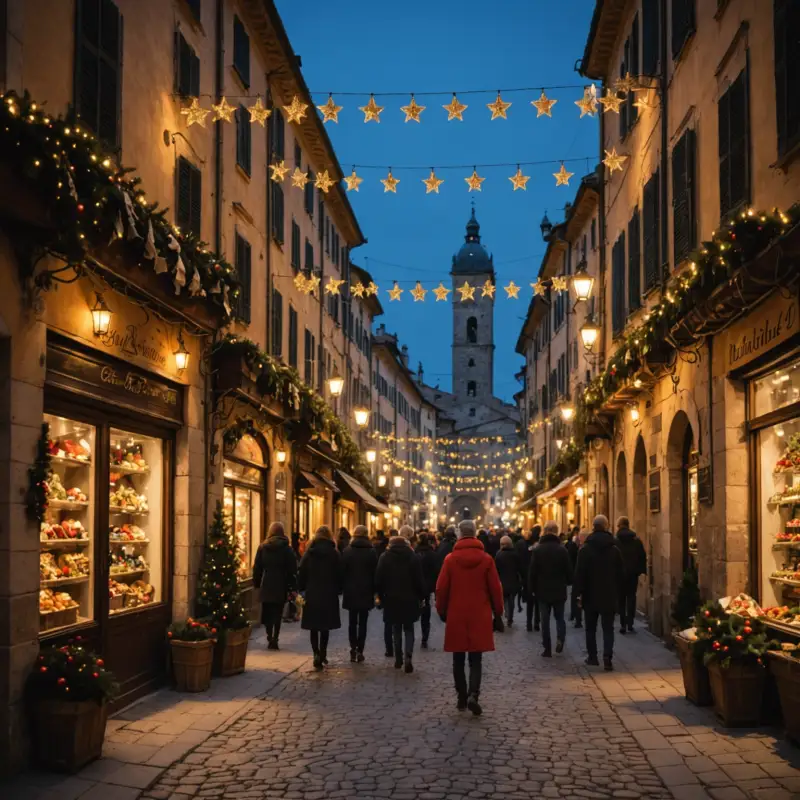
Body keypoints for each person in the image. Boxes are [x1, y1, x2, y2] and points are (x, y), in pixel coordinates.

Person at [436, 519, 504, 716]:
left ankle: (461, 697)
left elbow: (441, 588)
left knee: (458, 658)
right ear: (474, 534)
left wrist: (441, 610)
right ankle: (474, 694)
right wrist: (498, 612)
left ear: (459, 534)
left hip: (456, 613)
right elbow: (495, 588)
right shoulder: (486, 559)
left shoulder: (450, 560)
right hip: (479, 613)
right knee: (476, 658)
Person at [573, 515, 625, 671]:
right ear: (607, 526)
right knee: (608, 628)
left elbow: (579, 574)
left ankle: (593, 657)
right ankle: (607, 657)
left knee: (590, 628)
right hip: (609, 594)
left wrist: (578, 594)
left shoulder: (585, 550)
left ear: (593, 527)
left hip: (590, 595)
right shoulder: (614, 550)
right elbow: (621, 574)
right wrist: (618, 593)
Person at [375, 526, 426, 673]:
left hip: (391, 598)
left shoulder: (385, 557)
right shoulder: (413, 556)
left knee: (396, 628)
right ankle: (408, 656)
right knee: (409, 628)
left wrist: (379, 595)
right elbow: (419, 579)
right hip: (410, 598)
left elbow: (379, 578)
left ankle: (398, 658)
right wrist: (421, 596)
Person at [297, 525, 342, 671]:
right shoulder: (334, 553)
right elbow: (339, 574)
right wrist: (338, 589)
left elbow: (301, 572)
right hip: (329, 593)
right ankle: (323, 653)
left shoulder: (309, 553)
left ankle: (316, 653)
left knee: (314, 626)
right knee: (325, 627)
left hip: (312, 593)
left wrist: (301, 589)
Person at [529, 520, 573, 658]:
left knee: (545, 620)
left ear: (545, 531)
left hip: (542, 590)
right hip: (559, 588)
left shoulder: (538, 550)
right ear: (556, 532)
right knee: (559, 617)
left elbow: (533, 571)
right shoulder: (562, 550)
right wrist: (568, 582)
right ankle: (560, 639)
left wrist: (531, 588)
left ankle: (547, 648)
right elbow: (569, 571)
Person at [252, 521, 297, 650]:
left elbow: (257, 567)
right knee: (278, 612)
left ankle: (269, 635)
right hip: (281, 583)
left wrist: (256, 583)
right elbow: (292, 569)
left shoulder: (263, 547)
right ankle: (275, 637)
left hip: (267, 582)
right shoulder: (287, 549)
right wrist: (292, 586)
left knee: (267, 611)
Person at [341, 524, 379, 663]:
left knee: (352, 621)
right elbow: (375, 573)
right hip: (366, 590)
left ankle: (353, 648)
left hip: (351, 590)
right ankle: (360, 650)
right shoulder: (371, 552)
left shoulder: (347, 551)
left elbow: (342, 571)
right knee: (363, 622)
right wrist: (375, 590)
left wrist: (343, 587)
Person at [615, 516, 647, 634]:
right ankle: (630, 623)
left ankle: (623, 624)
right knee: (631, 597)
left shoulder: (616, 541)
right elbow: (642, 556)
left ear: (619, 526)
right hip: (632, 574)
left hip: (620, 575)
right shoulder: (636, 540)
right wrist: (639, 570)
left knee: (621, 599)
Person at [415, 532, 439, 648]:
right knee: (426, 611)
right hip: (427, 586)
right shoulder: (432, 554)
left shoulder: (414, 553)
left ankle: (410, 633)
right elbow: (436, 571)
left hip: (415, 586)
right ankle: (425, 637)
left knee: (414, 608)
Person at [494, 535, 522, 626]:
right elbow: (519, 568)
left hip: (502, 581)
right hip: (513, 580)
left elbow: (496, 569)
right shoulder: (515, 554)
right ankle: (510, 617)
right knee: (511, 599)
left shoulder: (498, 554)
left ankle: (506, 612)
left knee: (504, 599)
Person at [565, 527, 582, 628]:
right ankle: (576, 617)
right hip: (577, 575)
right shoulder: (574, 547)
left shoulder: (581, 548)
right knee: (577, 596)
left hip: (577, 575)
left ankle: (576, 616)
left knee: (576, 596)